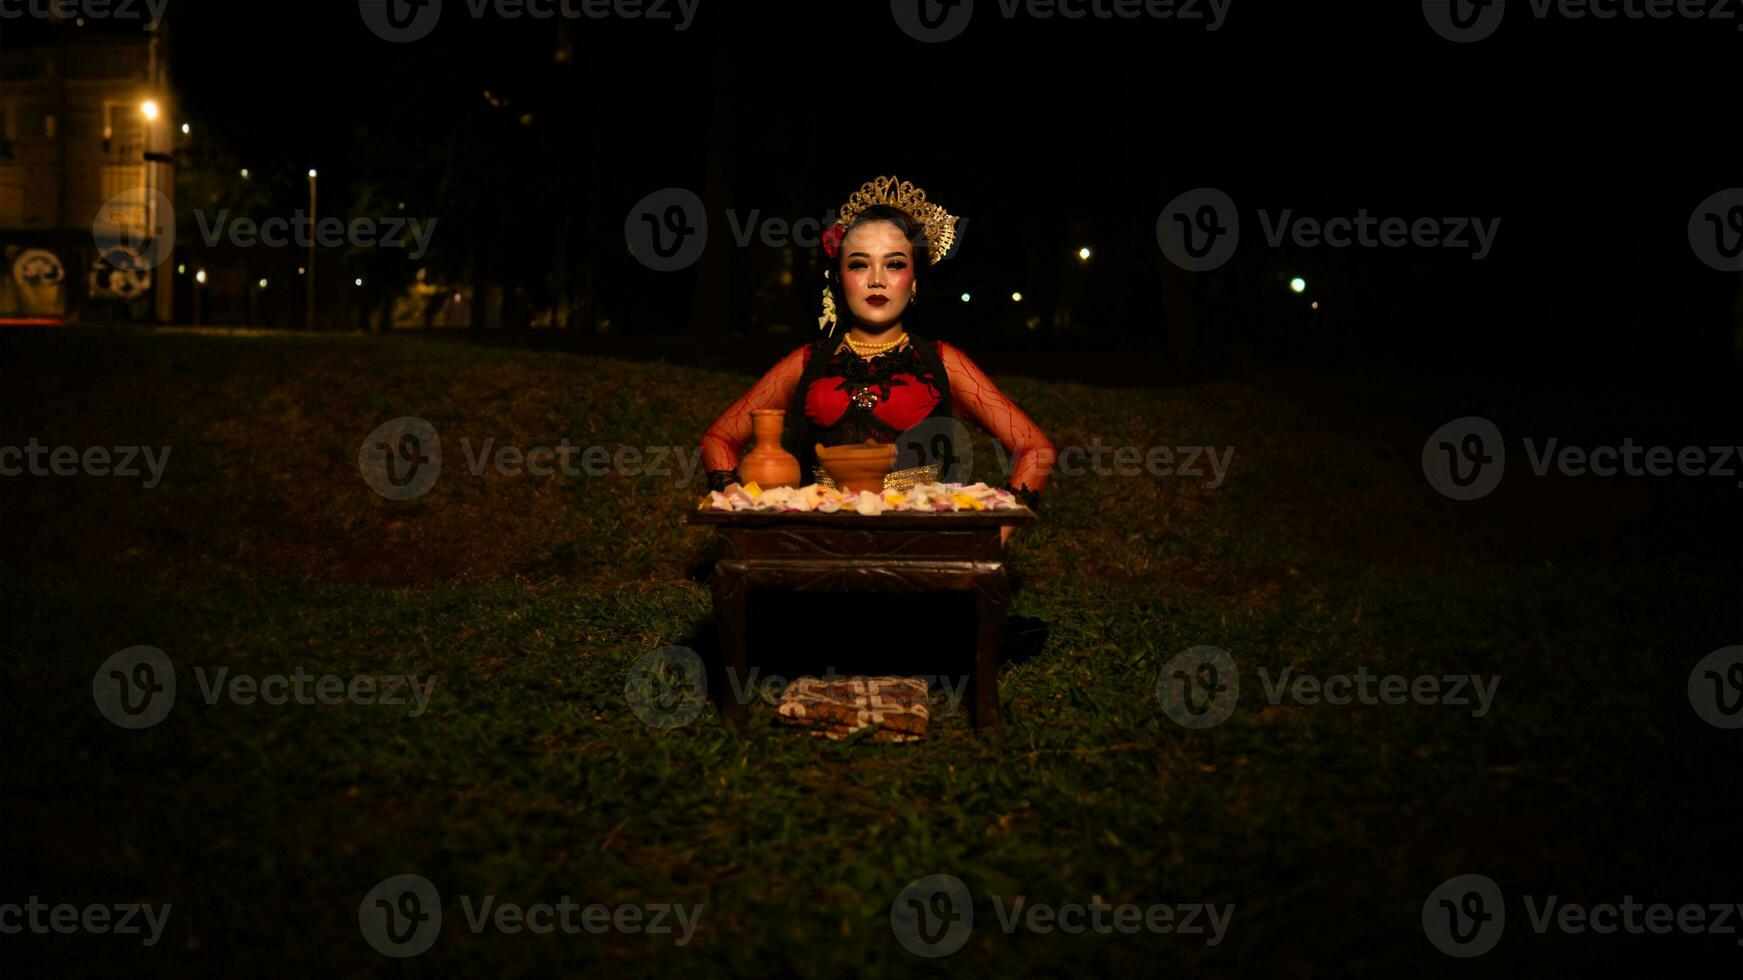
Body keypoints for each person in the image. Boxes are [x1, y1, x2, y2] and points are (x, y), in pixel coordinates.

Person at [700, 175, 1056, 546]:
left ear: (914, 280)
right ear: (838, 277)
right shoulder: (806, 363)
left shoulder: (943, 362)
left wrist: (990, 538)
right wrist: (744, 516)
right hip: (819, 546)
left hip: (920, 548)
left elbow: (1036, 449)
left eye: (894, 264)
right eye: (858, 265)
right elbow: (718, 439)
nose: (876, 281)